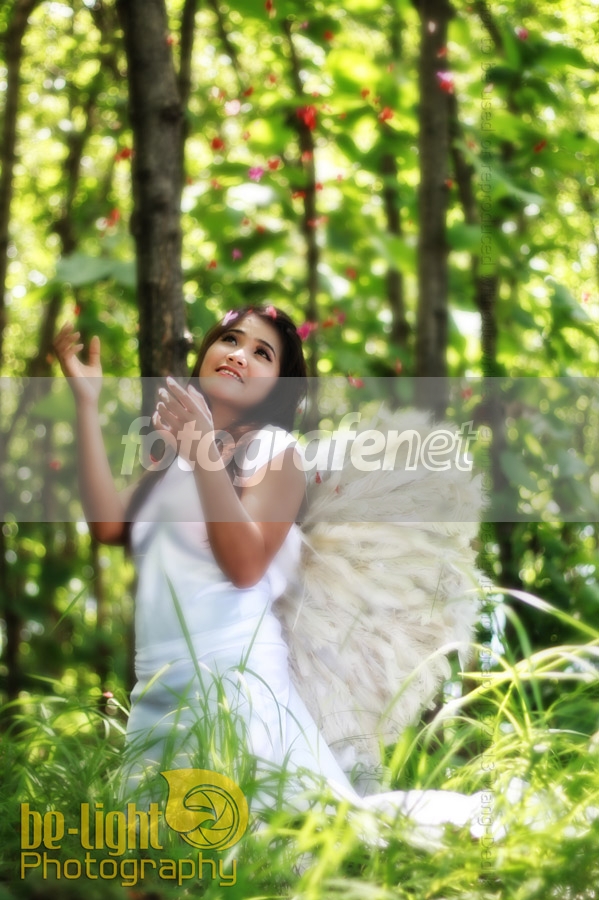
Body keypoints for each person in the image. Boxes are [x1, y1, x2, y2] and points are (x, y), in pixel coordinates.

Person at [53, 304, 497, 847]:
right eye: (230, 340)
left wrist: (204, 453)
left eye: (261, 353)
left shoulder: (275, 452)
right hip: (157, 692)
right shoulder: (170, 456)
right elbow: (108, 526)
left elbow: (244, 565)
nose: (239, 355)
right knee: (157, 856)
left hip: (233, 690)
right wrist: (86, 401)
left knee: (275, 851)